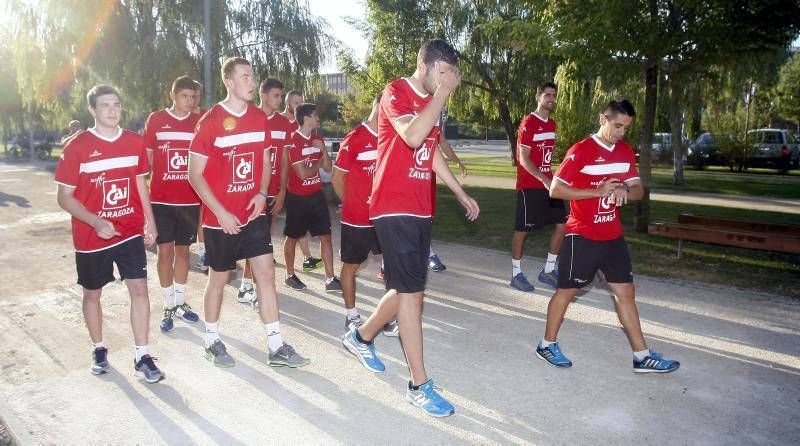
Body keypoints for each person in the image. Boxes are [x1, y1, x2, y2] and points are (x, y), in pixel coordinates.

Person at [340, 39, 479, 417]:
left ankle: (361, 336)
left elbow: (429, 151)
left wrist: (460, 193)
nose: (452, 82)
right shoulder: (395, 91)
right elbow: (413, 135)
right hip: (392, 206)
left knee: (406, 290)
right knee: (413, 297)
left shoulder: (432, 101)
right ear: (433, 67)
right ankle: (418, 384)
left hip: (420, 208)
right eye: (448, 74)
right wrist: (442, 95)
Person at [535, 99, 680, 374]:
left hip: (612, 236)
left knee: (625, 292)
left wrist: (626, 188)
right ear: (603, 119)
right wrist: (598, 191)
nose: (621, 132)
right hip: (582, 235)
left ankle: (642, 356)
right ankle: (546, 344)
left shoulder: (625, 152)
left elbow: (638, 191)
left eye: (626, 128)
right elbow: (556, 189)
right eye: (617, 126)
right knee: (566, 292)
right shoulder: (582, 150)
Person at [188, 56, 309, 368]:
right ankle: (211, 339)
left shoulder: (259, 119)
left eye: (252, 76)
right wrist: (220, 213)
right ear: (229, 81)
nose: (251, 82)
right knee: (219, 278)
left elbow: (266, 163)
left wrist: (260, 192)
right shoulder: (211, 120)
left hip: (253, 214)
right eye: (244, 77)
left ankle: (276, 345)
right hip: (220, 219)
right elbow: (195, 174)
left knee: (266, 275)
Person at [55, 84, 164, 383]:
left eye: (116, 104)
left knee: (140, 289)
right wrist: (95, 221)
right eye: (105, 105)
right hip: (92, 237)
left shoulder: (134, 142)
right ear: (92, 110)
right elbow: (64, 197)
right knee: (93, 293)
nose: (113, 110)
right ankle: (99, 347)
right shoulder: (77, 147)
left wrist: (150, 222)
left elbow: (141, 184)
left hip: (129, 231)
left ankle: (142, 355)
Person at [331, 93, 399, 335]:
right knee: (351, 266)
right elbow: (337, 178)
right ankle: (351, 315)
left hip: (382, 217)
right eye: (389, 106)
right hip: (357, 219)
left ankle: (388, 315)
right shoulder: (356, 138)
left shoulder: (389, 138)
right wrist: (351, 203)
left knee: (391, 265)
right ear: (378, 105)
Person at [143, 75, 202, 331]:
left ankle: (180, 302)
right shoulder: (156, 120)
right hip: (161, 200)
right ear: (173, 95)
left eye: (192, 97)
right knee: (165, 252)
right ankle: (167, 305)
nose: (189, 102)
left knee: (182, 253)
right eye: (184, 96)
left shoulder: (198, 122)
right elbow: (145, 163)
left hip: (190, 201)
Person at [237, 78, 296, 305]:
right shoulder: (248, 117)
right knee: (255, 239)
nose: (280, 100)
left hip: (272, 192)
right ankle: (246, 285)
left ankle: (247, 284)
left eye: (281, 96)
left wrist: (282, 191)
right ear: (263, 95)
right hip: (251, 192)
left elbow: (283, 161)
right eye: (276, 96)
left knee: (264, 239)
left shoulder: (284, 124)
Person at [510, 82, 567, 292]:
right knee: (522, 230)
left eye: (554, 95)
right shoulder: (528, 122)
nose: (551, 99)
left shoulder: (552, 124)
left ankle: (548, 270)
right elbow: (523, 158)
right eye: (547, 95)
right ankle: (516, 274)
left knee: (563, 224)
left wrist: (554, 179)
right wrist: (543, 179)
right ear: (538, 97)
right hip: (530, 185)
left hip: (549, 185)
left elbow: (546, 157)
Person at [282, 103, 341, 292]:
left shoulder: (317, 138)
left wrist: (322, 151)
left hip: (316, 196)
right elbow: (303, 174)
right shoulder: (294, 141)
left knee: (326, 236)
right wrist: (318, 161)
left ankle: (330, 279)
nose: (318, 119)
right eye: (315, 116)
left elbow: (328, 168)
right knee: (292, 237)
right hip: (297, 198)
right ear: (306, 118)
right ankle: (289, 275)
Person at [281, 89, 320, 272]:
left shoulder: (306, 126)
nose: (300, 105)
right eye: (296, 103)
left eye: (301, 102)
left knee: (299, 225)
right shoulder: (282, 123)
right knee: (289, 226)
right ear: (288, 104)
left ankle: (307, 258)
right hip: (285, 178)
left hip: (300, 180)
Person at [427, 134, 468, 272]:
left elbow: (442, 143)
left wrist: (457, 161)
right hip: (402, 174)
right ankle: (387, 261)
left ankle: (428, 252)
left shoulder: (433, 117)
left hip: (425, 174)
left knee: (426, 216)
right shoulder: (402, 114)